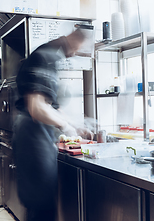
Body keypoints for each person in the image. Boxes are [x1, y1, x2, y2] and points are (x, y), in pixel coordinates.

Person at [12, 28, 92, 221]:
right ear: (74, 39)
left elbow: (50, 106)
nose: (74, 54)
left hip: (34, 136)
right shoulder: (45, 57)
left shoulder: (47, 57)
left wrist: (76, 125)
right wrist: (66, 127)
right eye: (78, 50)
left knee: (42, 206)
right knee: (41, 207)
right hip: (33, 138)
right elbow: (37, 108)